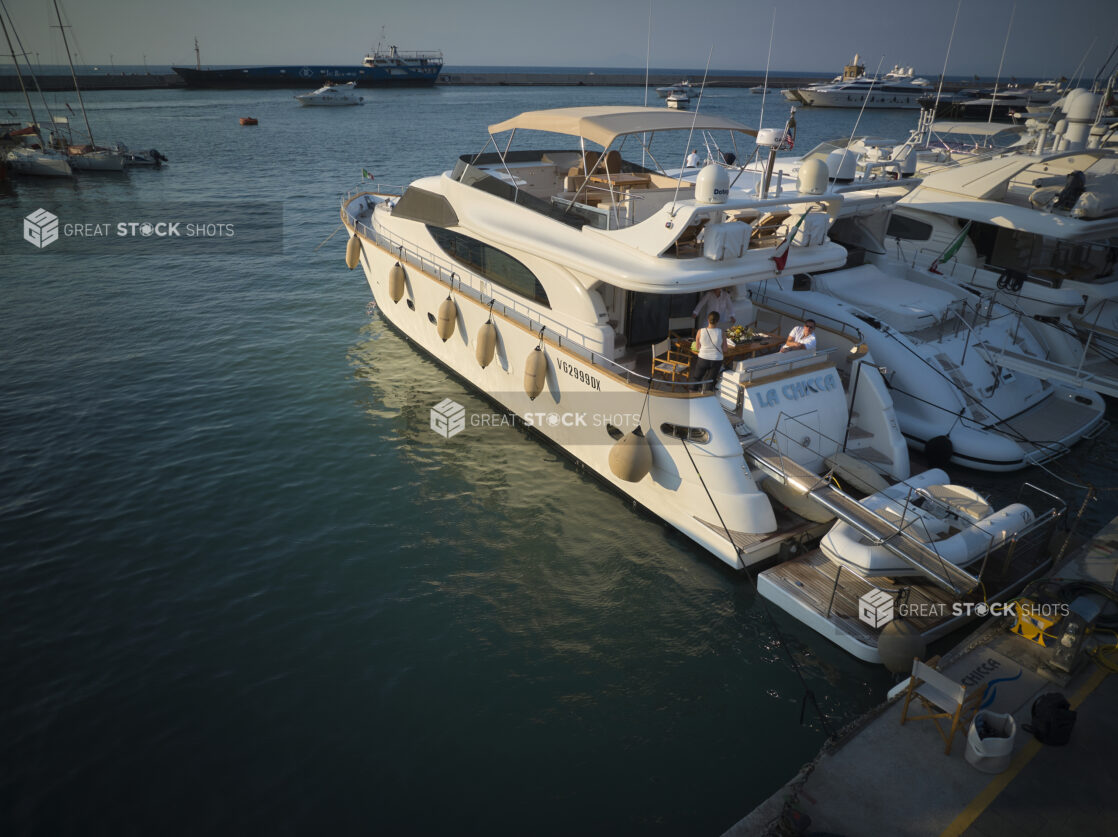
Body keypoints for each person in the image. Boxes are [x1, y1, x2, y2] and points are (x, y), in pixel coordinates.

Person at [693, 312, 729, 390]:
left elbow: (697, 347)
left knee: (696, 378)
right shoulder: (721, 332)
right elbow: (725, 349)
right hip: (716, 360)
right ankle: (707, 396)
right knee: (710, 381)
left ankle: (693, 394)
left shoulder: (700, 331)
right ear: (718, 321)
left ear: (708, 320)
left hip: (703, 358)